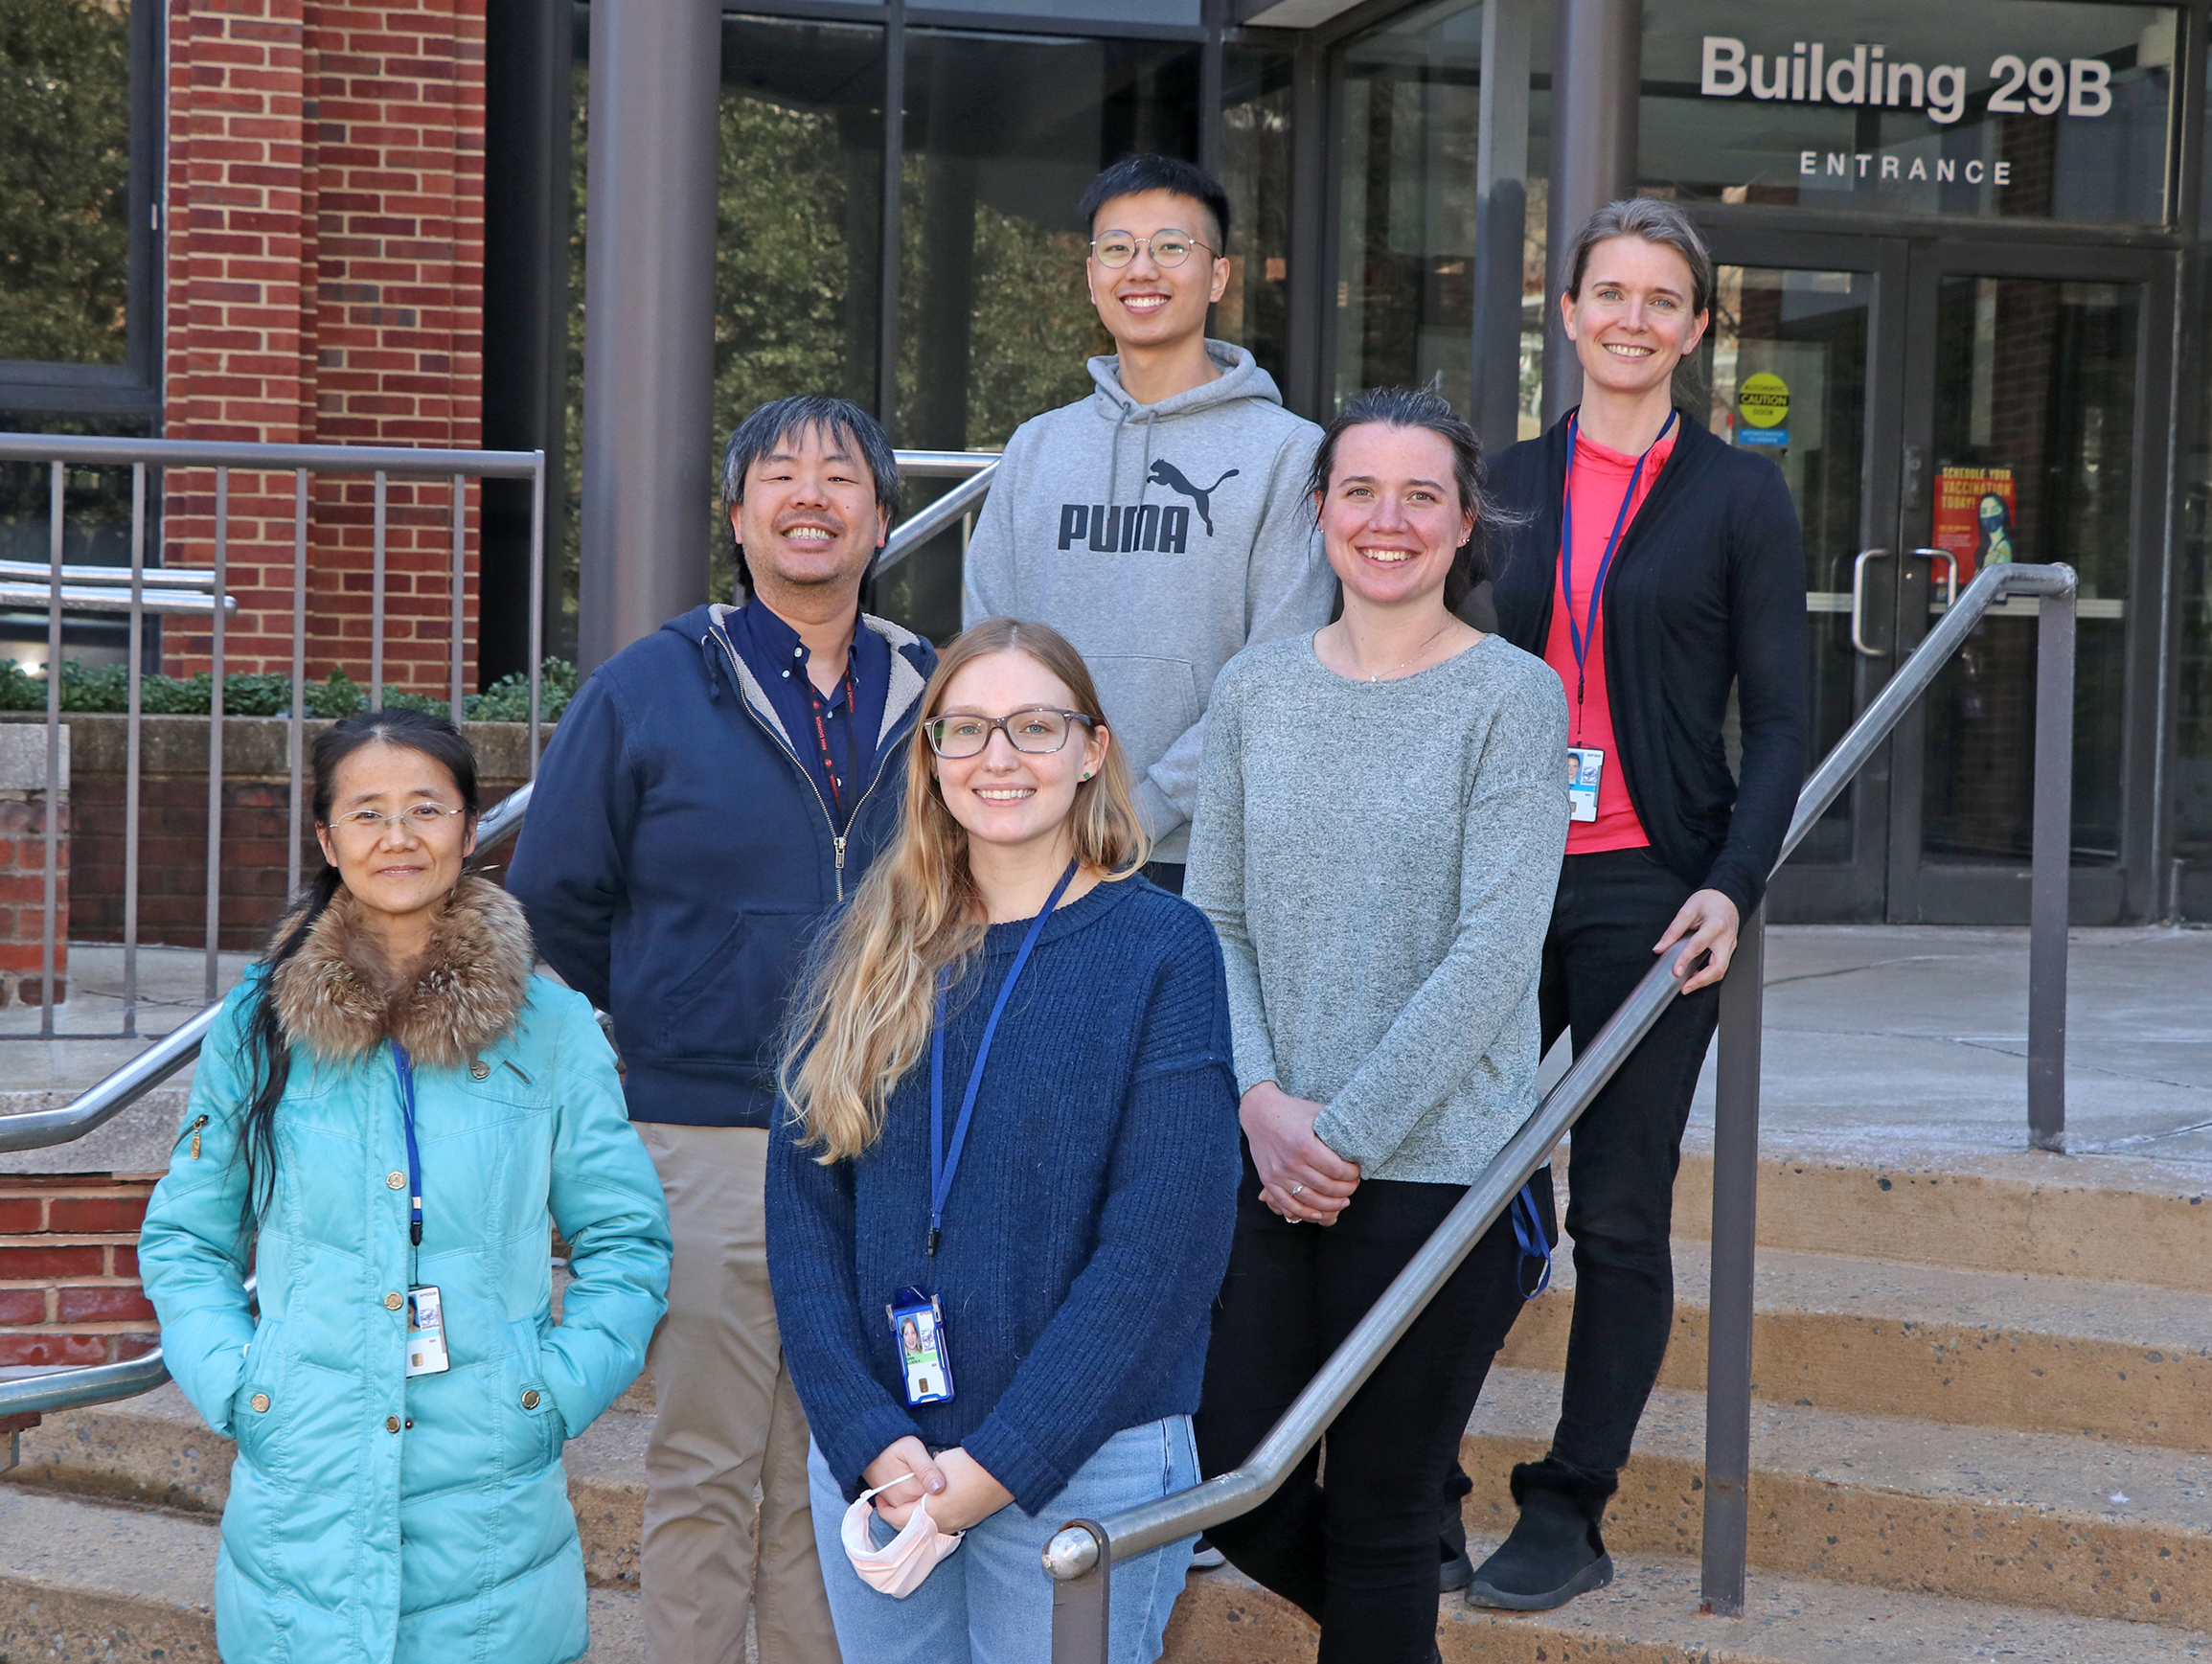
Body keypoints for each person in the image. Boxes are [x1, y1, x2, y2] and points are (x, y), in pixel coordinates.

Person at [510, 395, 938, 1664]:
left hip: (892, 1142)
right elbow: (551, 917)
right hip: (703, 1140)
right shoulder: (650, 687)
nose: (812, 496)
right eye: (781, 475)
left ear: (880, 513)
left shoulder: (940, 690)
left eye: (842, 475)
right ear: (737, 513)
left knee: (846, 1466)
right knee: (705, 1462)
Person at [139, 709, 672, 1664]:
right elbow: (186, 1237)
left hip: (491, 1518)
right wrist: (242, 1385)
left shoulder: (550, 1027)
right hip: (305, 1489)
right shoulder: (255, 1025)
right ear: (326, 838)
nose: (398, 837)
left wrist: (546, 1392)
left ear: (470, 831)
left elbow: (626, 1244)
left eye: (426, 808)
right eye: (368, 812)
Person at [766, 617, 1241, 1662]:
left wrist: (995, 1467)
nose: (1000, 758)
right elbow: (802, 1224)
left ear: (1091, 752)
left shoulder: (1163, 952)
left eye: (1034, 727)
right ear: (930, 759)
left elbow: (1163, 1254)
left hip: (1088, 1462)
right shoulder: (860, 944)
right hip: (884, 1459)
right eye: (966, 730)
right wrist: (866, 1439)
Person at [1460, 197, 1808, 1611]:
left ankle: (1569, 1507)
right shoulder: (1500, 478)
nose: (1633, 318)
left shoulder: (1738, 497)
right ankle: (1408, 1483)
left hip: (1651, 890)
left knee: (1615, 1208)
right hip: (1493, 871)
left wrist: (1733, 885)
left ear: (1699, 329)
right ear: (1567, 309)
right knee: (1446, 1188)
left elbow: (1780, 722)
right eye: (1610, 291)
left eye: (1665, 298)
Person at [1187, 388, 1570, 1664]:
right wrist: (1261, 1108)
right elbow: (1217, 921)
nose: (1387, 520)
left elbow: (1493, 954)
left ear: (1465, 524)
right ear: (1319, 513)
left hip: (1436, 1173)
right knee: (1230, 1469)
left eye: (1421, 495)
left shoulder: (1513, 700)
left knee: (1389, 1511)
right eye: (1360, 491)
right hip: (1266, 1155)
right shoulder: (1254, 690)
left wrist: (1336, 1135)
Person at [962, 152, 1337, 895]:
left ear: (1218, 277)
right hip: (1036, 839)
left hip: (1198, 856)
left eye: (1171, 247)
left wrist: (1146, 806)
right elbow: (985, 646)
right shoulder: (1037, 447)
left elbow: (1277, 675)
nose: (1142, 269)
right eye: (1116, 249)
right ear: (1092, 275)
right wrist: (1036, 794)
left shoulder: (1289, 453)